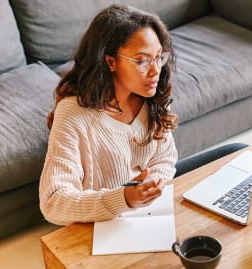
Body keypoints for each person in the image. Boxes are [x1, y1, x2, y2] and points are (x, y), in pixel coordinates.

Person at [39, 4, 178, 225]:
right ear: (110, 61)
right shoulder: (74, 115)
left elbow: (165, 158)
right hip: (105, 226)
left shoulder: (151, 97)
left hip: (146, 215)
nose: (155, 71)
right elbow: (53, 202)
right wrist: (124, 197)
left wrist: (149, 187)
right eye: (142, 61)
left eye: (158, 57)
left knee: (232, 153)